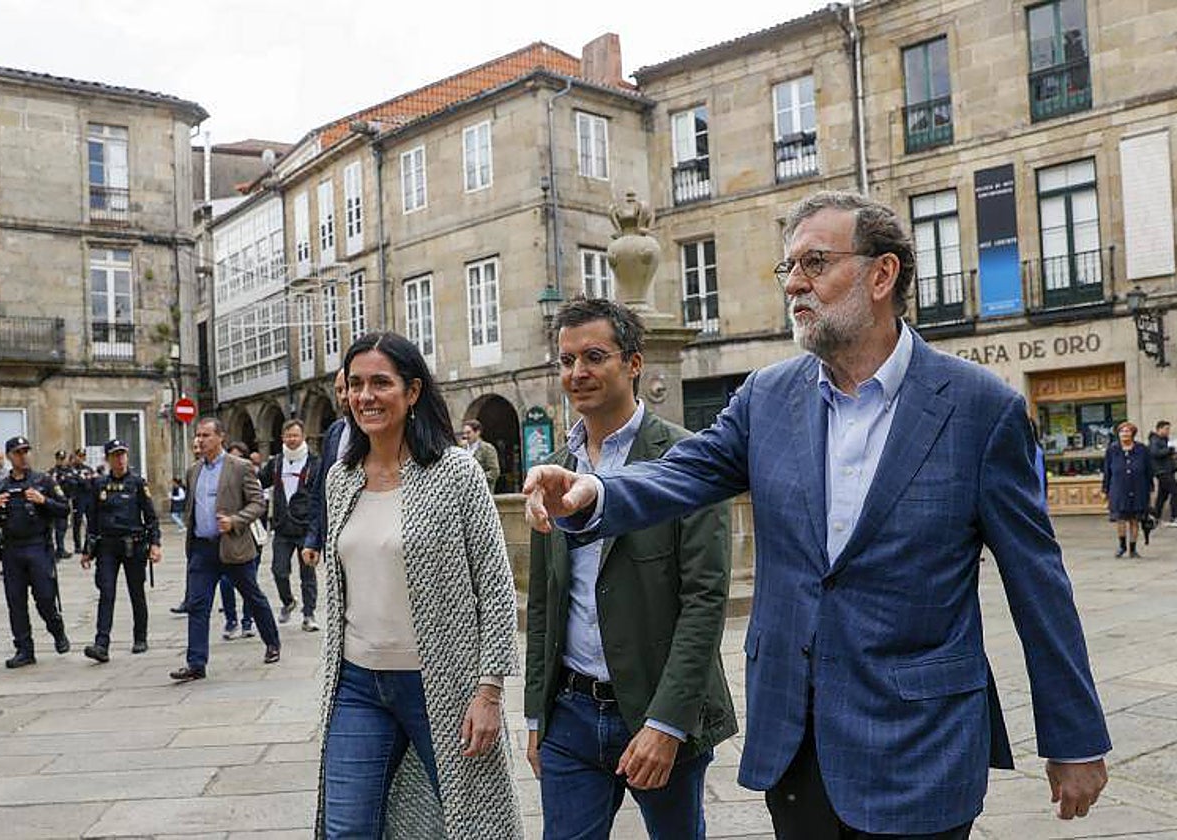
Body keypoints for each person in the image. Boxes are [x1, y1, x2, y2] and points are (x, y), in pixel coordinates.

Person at [524, 191, 1112, 837]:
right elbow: (684, 471)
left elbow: (1039, 584)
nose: (795, 284)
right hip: (795, 740)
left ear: (882, 275)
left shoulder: (979, 408)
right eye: (788, 268)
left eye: (815, 263)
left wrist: (1074, 737)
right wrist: (594, 494)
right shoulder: (768, 397)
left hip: (920, 743)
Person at [524, 298, 734, 839]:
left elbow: (705, 601)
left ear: (634, 364)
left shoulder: (687, 457)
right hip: (569, 713)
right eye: (566, 360)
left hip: (654, 710)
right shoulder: (558, 469)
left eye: (594, 356)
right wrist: (535, 716)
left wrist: (666, 724)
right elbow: (547, 600)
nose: (577, 373)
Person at [316, 331, 522, 839]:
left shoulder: (456, 473)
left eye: (380, 383)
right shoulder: (341, 478)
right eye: (356, 384)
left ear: (412, 392)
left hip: (443, 683)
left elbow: (496, 586)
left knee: (472, 825)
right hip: (358, 683)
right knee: (345, 828)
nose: (365, 396)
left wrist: (489, 691)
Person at [170, 417, 280, 682]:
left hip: (232, 547)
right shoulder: (194, 470)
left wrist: (235, 521)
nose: (200, 440)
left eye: (206, 435)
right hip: (202, 549)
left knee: (252, 596)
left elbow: (257, 503)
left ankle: (272, 642)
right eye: (198, 435)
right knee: (198, 605)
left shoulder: (240, 467)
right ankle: (196, 662)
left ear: (221, 437)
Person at [0, 436, 71, 668]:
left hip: (38, 547)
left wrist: (44, 501)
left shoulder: (43, 481)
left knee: (44, 598)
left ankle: (57, 630)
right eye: (18, 452)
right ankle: (24, 649)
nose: (23, 456)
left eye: (26, 451)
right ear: (10, 457)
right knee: (16, 601)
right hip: (12, 550)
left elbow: (64, 509)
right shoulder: (3, 485)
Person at [81, 438, 161, 662]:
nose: (120, 458)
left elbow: (151, 518)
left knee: (137, 592)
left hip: (133, 545)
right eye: (115, 455)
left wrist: (155, 544)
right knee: (106, 592)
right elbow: (93, 520)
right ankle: (101, 643)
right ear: (108, 459)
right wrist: (88, 550)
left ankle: (140, 637)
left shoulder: (137, 483)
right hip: (107, 546)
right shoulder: (99, 485)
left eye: (123, 454)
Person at [259, 419, 320, 631]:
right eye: (288, 435)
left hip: (306, 528)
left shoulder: (314, 462)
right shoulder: (276, 462)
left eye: (295, 435)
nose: (292, 439)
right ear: (283, 438)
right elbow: (259, 481)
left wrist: (318, 528)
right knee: (279, 570)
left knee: (308, 575)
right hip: (282, 527)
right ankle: (288, 601)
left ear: (303, 437)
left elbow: (320, 495)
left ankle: (309, 614)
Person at [302, 367, 349, 569]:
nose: (344, 396)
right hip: (334, 539)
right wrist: (313, 539)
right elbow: (321, 490)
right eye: (338, 391)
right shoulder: (335, 432)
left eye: (348, 388)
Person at [219, 441, 258, 640]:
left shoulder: (248, 473)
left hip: (248, 537)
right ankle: (231, 619)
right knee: (226, 582)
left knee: (249, 584)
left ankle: (247, 621)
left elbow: (258, 503)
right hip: (226, 540)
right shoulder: (220, 477)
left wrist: (237, 519)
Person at [1103, 422, 1153, 558]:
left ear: (1133, 433)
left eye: (1127, 431)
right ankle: (1122, 546)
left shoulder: (1142, 449)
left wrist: (1150, 490)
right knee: (1120, 519)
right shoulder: (1112, 450)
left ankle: (1133, 548)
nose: (1124, 434)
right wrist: (1106, 490)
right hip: (1119, 489)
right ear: (1118, 434)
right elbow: (1107, 471)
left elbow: (1149, 470)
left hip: (1139, 489)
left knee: (1134, 520)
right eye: (1122, 431)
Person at [67, 448, 96, 559]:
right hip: (78, 498)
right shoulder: (71, 470)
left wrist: (85, 480)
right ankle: (77, 545)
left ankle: (89, 544)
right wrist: (83, 480)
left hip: (89, 497)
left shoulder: (88, 469)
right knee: (77, 522)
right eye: (79, 456)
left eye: (83, 456)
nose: (81, 458)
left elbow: (92, 482)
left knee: (91, 521)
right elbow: (73, 482)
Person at [461, 419, 501, 492]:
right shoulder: (462, 449)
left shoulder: (487, 449)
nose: (465, 436)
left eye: (468, 433)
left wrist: (476, 479)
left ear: (477, 432)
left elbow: (494, 471)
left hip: (483, 491)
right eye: (464, 433)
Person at [1149, 420, 1176, 525]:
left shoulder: (1163, 440)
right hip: (1162, 471)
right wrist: (1169, 450)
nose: (1168, 431)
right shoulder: (1155, 440)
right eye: (1166, 429)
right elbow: (1155, 453)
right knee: (1175, 492)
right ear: (1159, 429)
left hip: (1166, 470)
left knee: (1162, 495)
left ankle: (1156, 516)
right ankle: (1174, 516)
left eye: (1168, 429)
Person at [48, 450, 74, 559]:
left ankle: (61, 548)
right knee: (53, 527)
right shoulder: (52, 472)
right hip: (54, 501)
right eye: (59, 459)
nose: (61, 461)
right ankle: (54, 550)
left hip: (64, 501)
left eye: (63, 459)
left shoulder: (69, 471)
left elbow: (74, 483)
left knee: (62, 527)